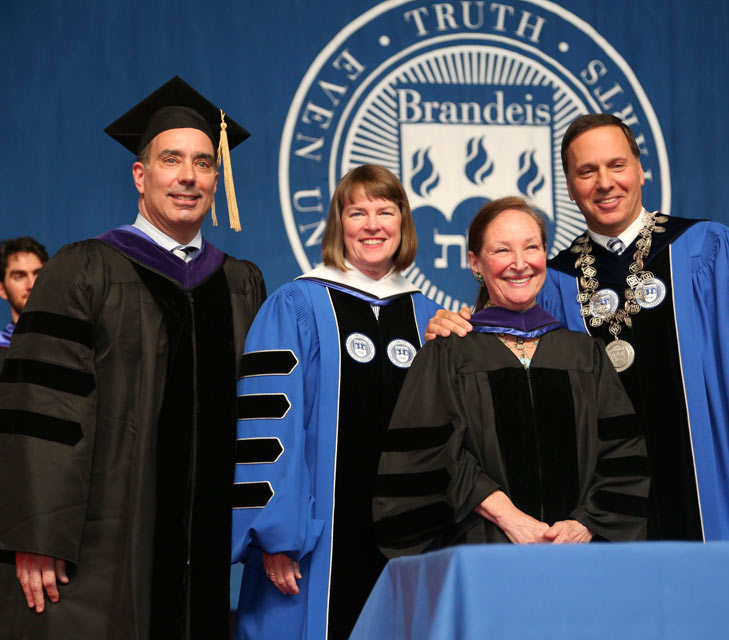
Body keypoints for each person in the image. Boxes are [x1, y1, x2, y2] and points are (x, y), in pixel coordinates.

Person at [426, 114, 729, 543]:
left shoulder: (707, 250)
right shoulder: (553, 281)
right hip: (599, 512)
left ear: (642, 169)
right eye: (587, 171)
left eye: (617, 165)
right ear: (569, 187)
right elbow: (503, 369)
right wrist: (450, 325)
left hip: (713, 493)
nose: (605, 182)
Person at [0, 76, 265, 639]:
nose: (189, 176)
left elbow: (267, 415)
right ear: (141, 176)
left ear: (217, 179)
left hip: (207, 553)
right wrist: (38, 534)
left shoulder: (240, 284)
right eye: (172, 160)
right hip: (98, 546)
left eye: (203, 162)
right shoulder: (85, 270)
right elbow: (41, 407)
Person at [231, 165, 441, 640]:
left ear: (403, 223)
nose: (372, 225)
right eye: (357, 212)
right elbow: (269, 431)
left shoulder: (425, 315)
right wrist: (277, 536)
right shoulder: (298, 305)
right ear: (338, 224)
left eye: (386, 211)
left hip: (406, 543)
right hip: (313, 546)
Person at [373, 197, 649, 558]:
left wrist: (584, 524)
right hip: (483, 558)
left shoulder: (585, 354)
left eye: (531, 247)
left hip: (577, 560)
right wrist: (510, 519)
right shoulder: (446, 355)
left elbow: (623, 457)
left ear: (544, 255)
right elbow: (425, 460)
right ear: (476, 263)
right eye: (502, 250)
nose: (519, 264)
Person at [0, 236, 48, 368]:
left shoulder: (80, 347)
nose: (32, 284)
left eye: (38, 274)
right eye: (20, 276)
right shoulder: (3, 348)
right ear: (2, 289)